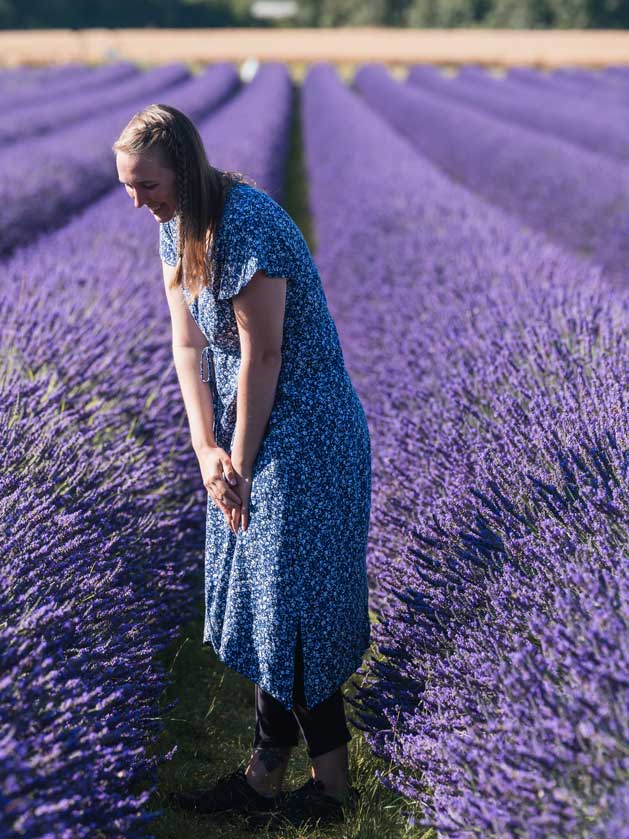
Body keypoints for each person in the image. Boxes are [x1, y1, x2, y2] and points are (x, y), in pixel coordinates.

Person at [112, 103, 372, 829]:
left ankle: (326, 790)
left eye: (148, 185)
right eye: (127, 187)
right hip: (244, 431)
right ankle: (275, 779)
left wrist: (242, 463)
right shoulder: (176, 228)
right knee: (267, 595)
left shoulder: (249, 226)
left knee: (289, 599)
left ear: (185, 170)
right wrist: (206, 451)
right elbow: (188, 348)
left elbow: (264, 354)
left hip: (307, 430)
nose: (138, 202)